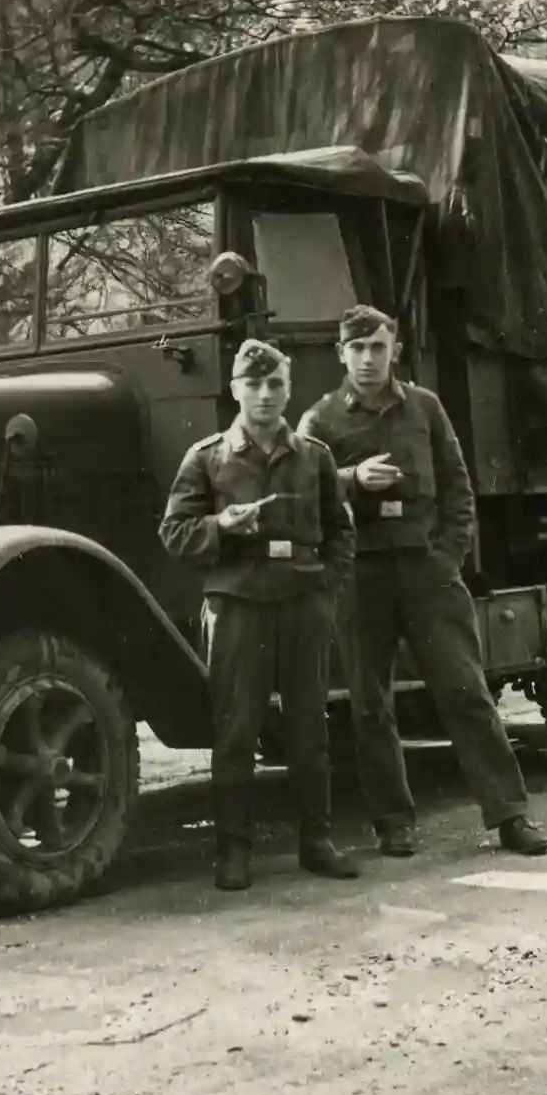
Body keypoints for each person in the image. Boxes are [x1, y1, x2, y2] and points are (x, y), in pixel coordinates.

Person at [299, 305, 547, 859]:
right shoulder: (320, 422)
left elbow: (459, 491)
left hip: (426, 571)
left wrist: (446, 559)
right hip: (360, 576)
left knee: (466, 691)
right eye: (357, 349)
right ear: (340, 354)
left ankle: (511, 816)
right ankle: (393, 822)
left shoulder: (424, 408)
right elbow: (302, 497)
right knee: (370, 705)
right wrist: (350, 479)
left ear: (395, 349)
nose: (368, 359)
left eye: (378, 347)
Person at [159, 338, 359, 892]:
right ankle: (233, 851)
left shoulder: (314, 457)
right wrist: (221, 527)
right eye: (254, 384)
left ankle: (316, 842)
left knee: (308, 726)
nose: (265, 394)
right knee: (237, 730)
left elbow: (341, 532)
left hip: (302, 605)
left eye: (275, 384)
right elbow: (173, 533)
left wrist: (327, 593)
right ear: (235, 391)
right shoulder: (206, 458)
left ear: (289, 390)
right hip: (239, 606)